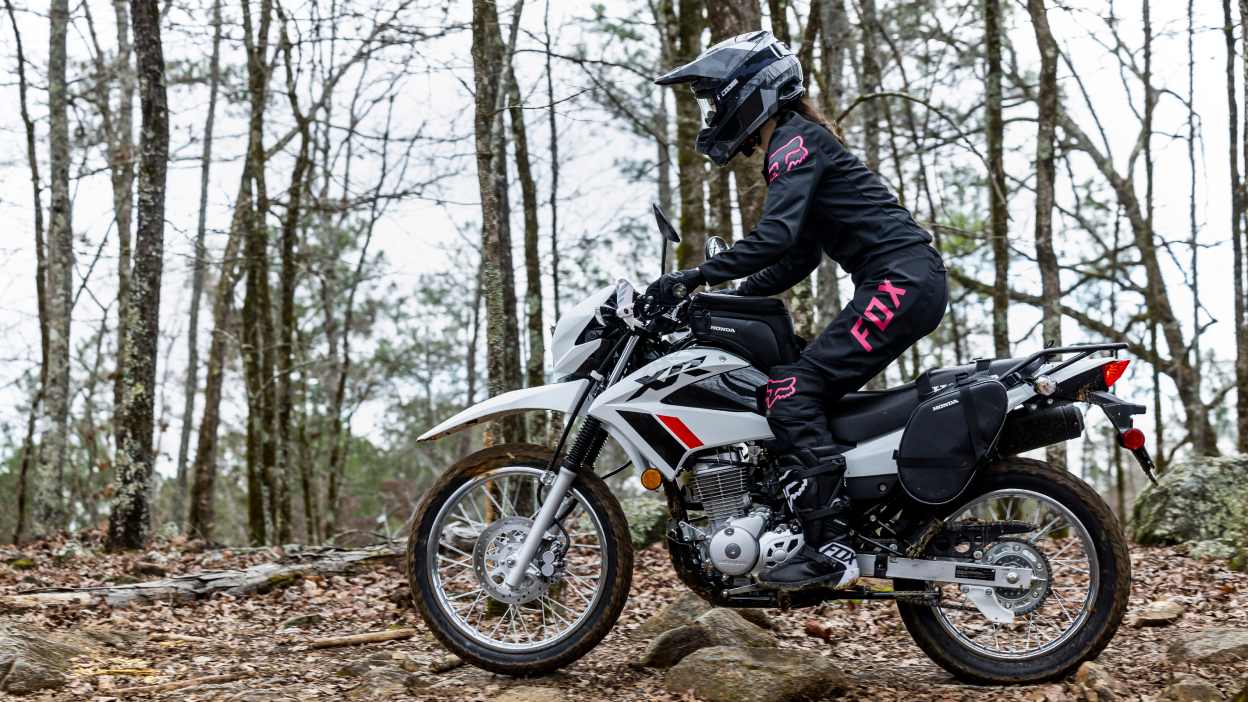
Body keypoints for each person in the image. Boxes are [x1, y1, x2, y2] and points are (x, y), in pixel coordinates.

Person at [646, 31, 949, 592]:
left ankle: (831, 545)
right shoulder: (796, 143)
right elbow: (799, 254)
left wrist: (695, 278)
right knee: (791, 385)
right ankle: (840, 512)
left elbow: (775, 237)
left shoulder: (794, 142)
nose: (715, 113)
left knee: (791, 393)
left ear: (750, 90)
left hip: (901, 280)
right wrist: (729, 298)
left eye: (717, 99)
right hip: (904, 280)